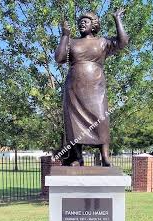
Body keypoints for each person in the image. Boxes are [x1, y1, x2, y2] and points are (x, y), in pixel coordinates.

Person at [55, 9, 129, 166]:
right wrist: (65, 36)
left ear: (94, 25)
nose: (82, 23)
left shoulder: (102, 42)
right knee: (74, 122)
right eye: (80, 21)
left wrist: (117, 20)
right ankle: (77, 157)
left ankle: (105, 156)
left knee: (101, 118)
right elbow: (59, 58)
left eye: (86, 21)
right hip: (74, 88)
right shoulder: (72, 42)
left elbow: (122, 43)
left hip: (95, 86)